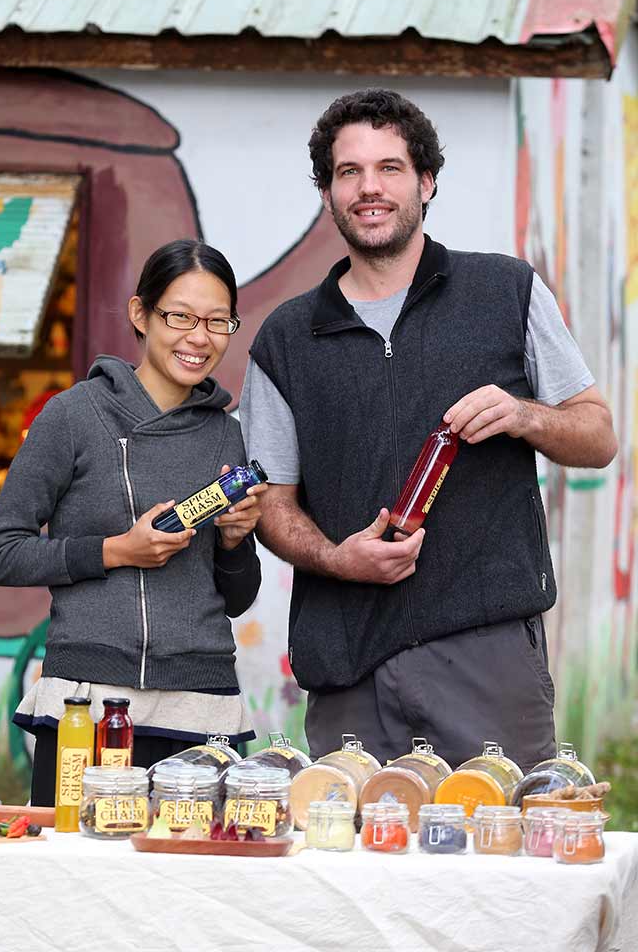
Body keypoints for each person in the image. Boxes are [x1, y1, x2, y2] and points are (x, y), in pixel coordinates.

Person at [241, 88, 617, 771]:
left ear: (427, 179)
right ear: (327, 191)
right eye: (348, 172)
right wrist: (334, 558)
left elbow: (598, 436)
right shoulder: (284, 338)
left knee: (502, 860)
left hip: (486, 656)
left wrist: (525, 415)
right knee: (352, 866)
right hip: (349, 666)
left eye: (389, 167)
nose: (369, 188)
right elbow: (271, 500)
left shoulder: (506, 291)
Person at [0, 239, 266, 804]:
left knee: (198, 882)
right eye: (180, 316)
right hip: (87, 697)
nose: (198, 337)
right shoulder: (73, 415)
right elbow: (0, 554)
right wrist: (115, 551)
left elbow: (236, 599)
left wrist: (235, 542)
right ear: (141, 314)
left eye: (217, 322)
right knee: (76, 879)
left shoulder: (225, 433)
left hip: (199, 700)